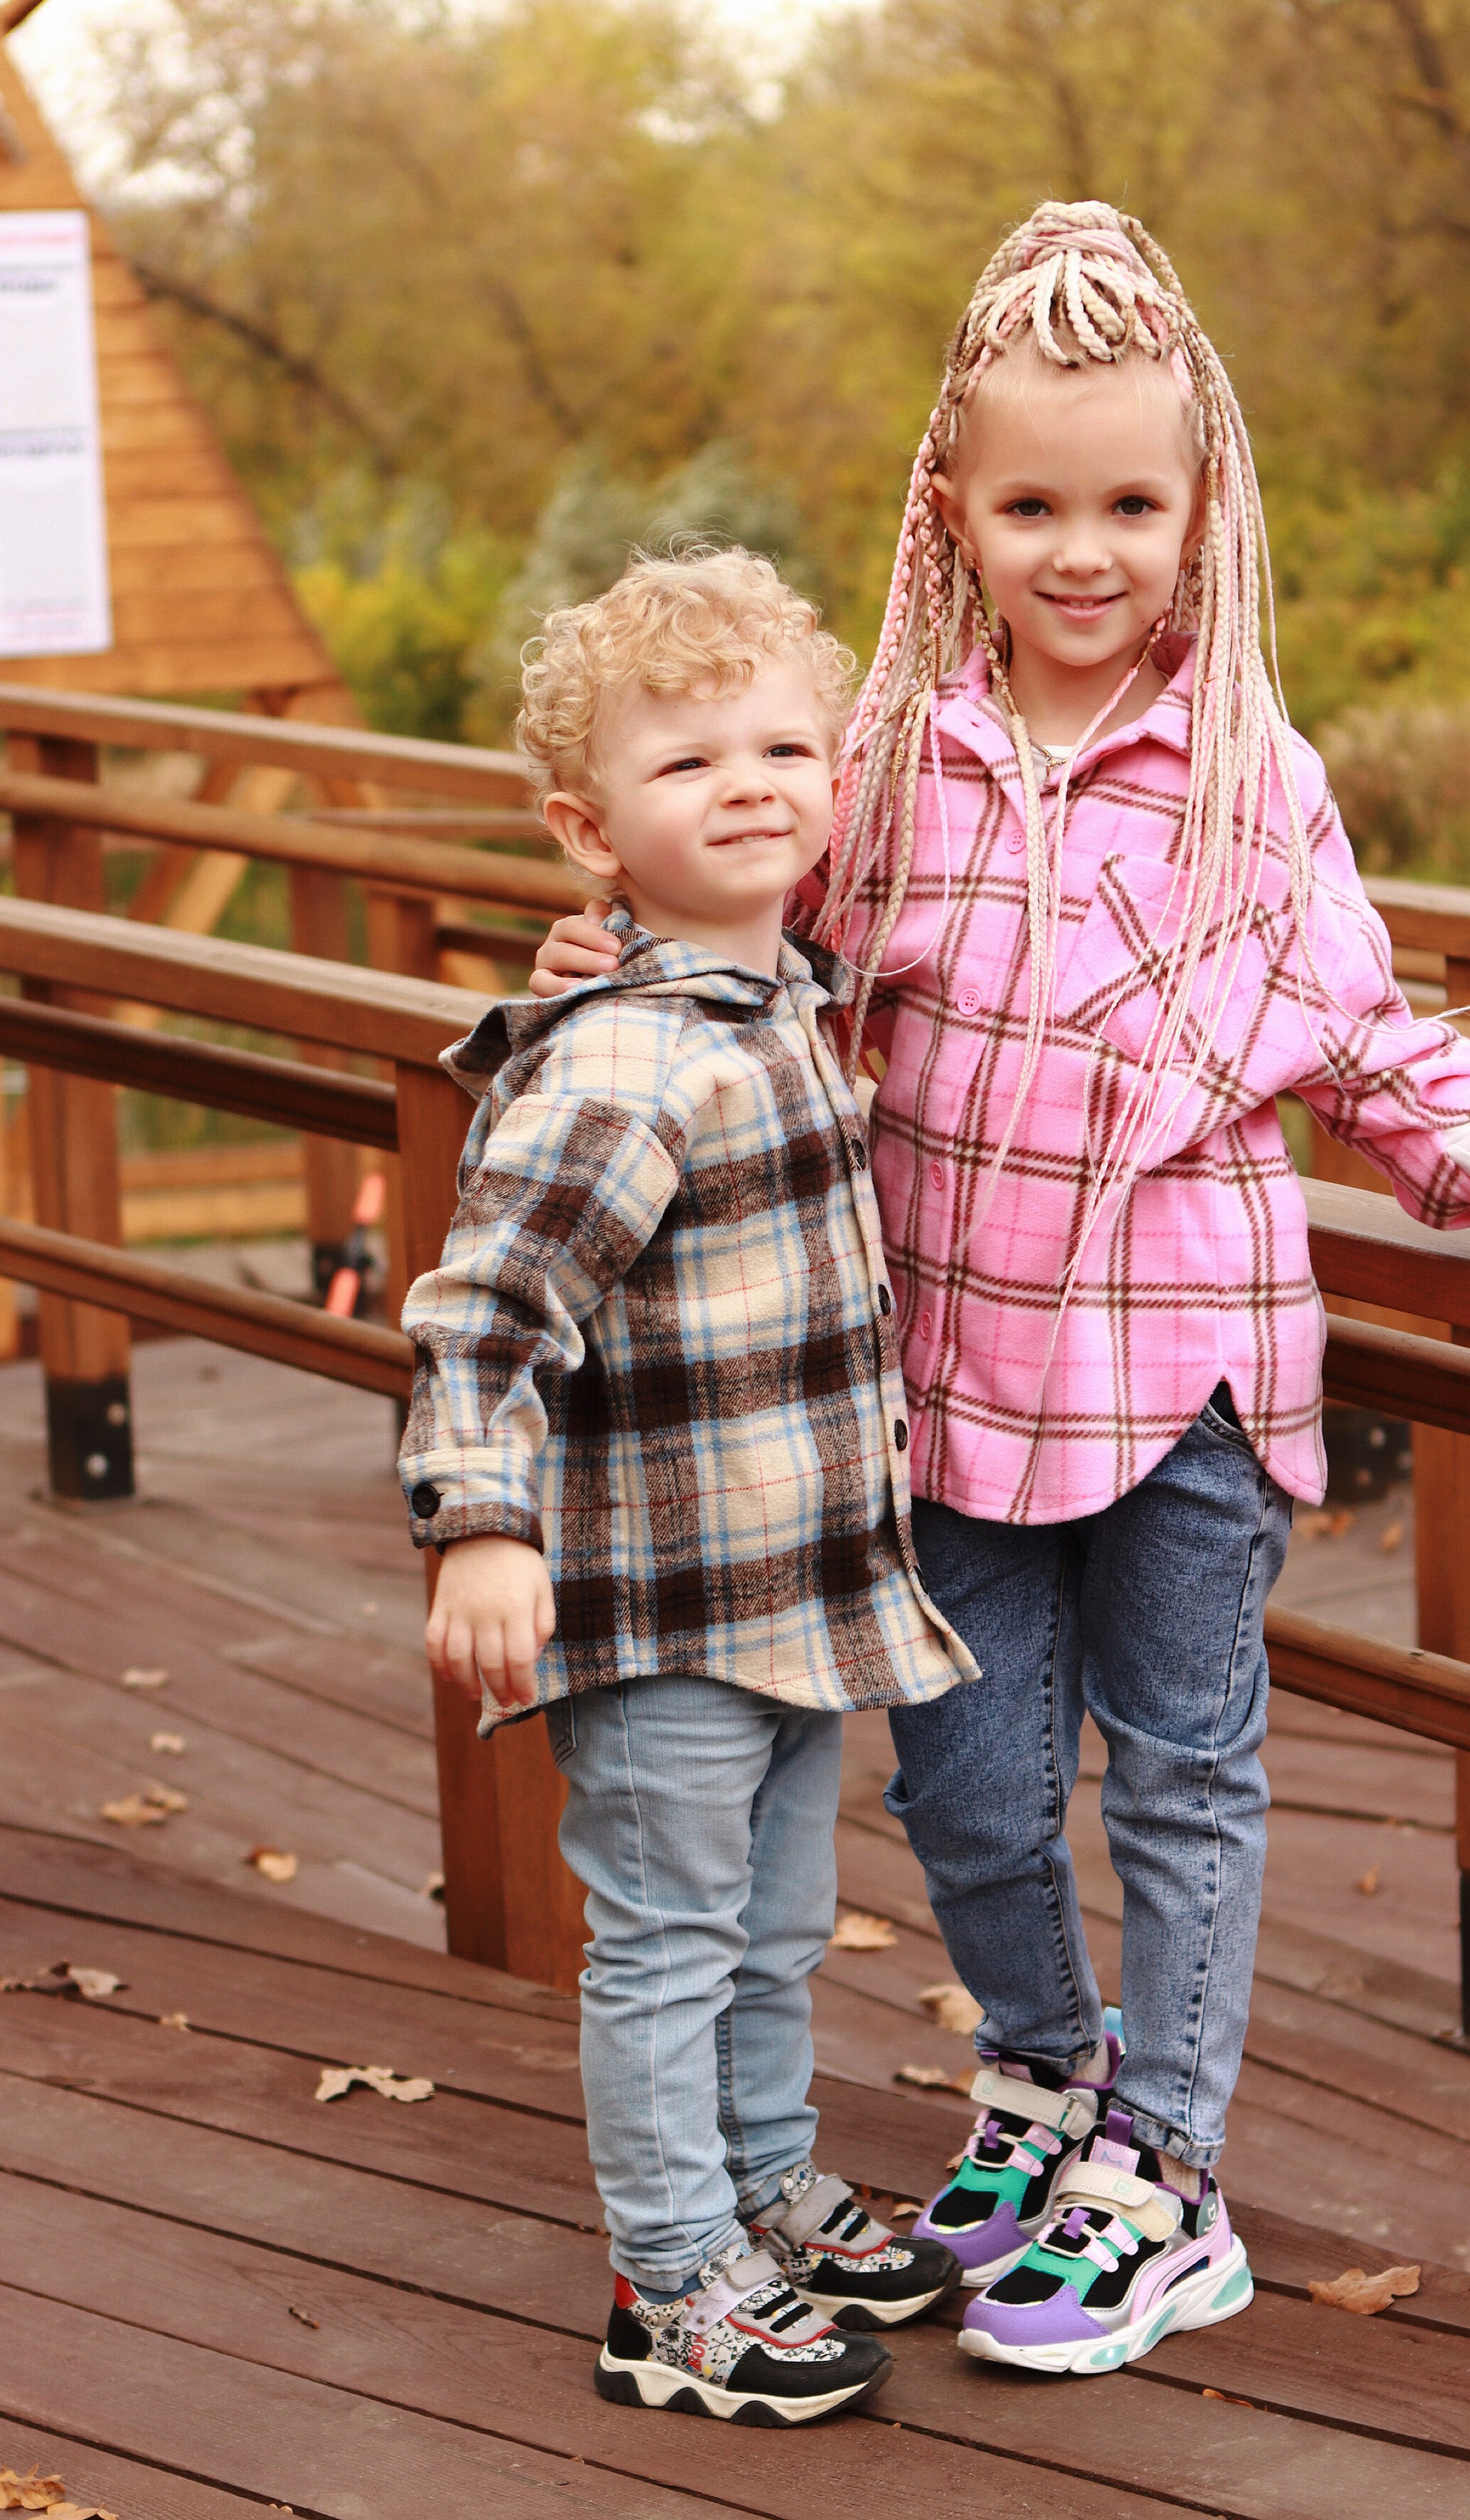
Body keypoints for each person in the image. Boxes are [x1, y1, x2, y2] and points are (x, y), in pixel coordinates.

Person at [530, 202, 1470, 2380]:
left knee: (1186, 1779)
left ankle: (1167, 2172)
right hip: (952, 1374)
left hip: (1194, 1372)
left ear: (1206, 510)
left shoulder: (1251, 787)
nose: (1083, 548)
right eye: (1034, 503)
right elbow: (743, 929)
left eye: (1130, 500)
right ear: (959, 511)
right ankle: (1044, 2074)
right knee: (970, 1785)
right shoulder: (887, 768)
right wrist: (608, 968)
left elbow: (1377, 1058)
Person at [399, 550, 976, 2425]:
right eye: (688, 762)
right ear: (586, 829)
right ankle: (670, 2277)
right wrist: (481, 1523)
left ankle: (758, 2179)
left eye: (784, 745)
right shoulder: (633, 1054)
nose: (748, 784)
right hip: (656, 1610)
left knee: (774, 1920)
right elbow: (487, 1301)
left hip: (786, 1594)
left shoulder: (781, 995)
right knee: (663, 1941)